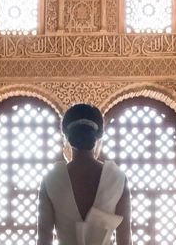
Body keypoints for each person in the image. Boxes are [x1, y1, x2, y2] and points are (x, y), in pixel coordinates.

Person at [37, 103, 132, 245]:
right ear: (97, 137)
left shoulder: (51, 180)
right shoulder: (117, 179)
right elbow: (124, 240)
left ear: (67, 138)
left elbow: (44, 239)